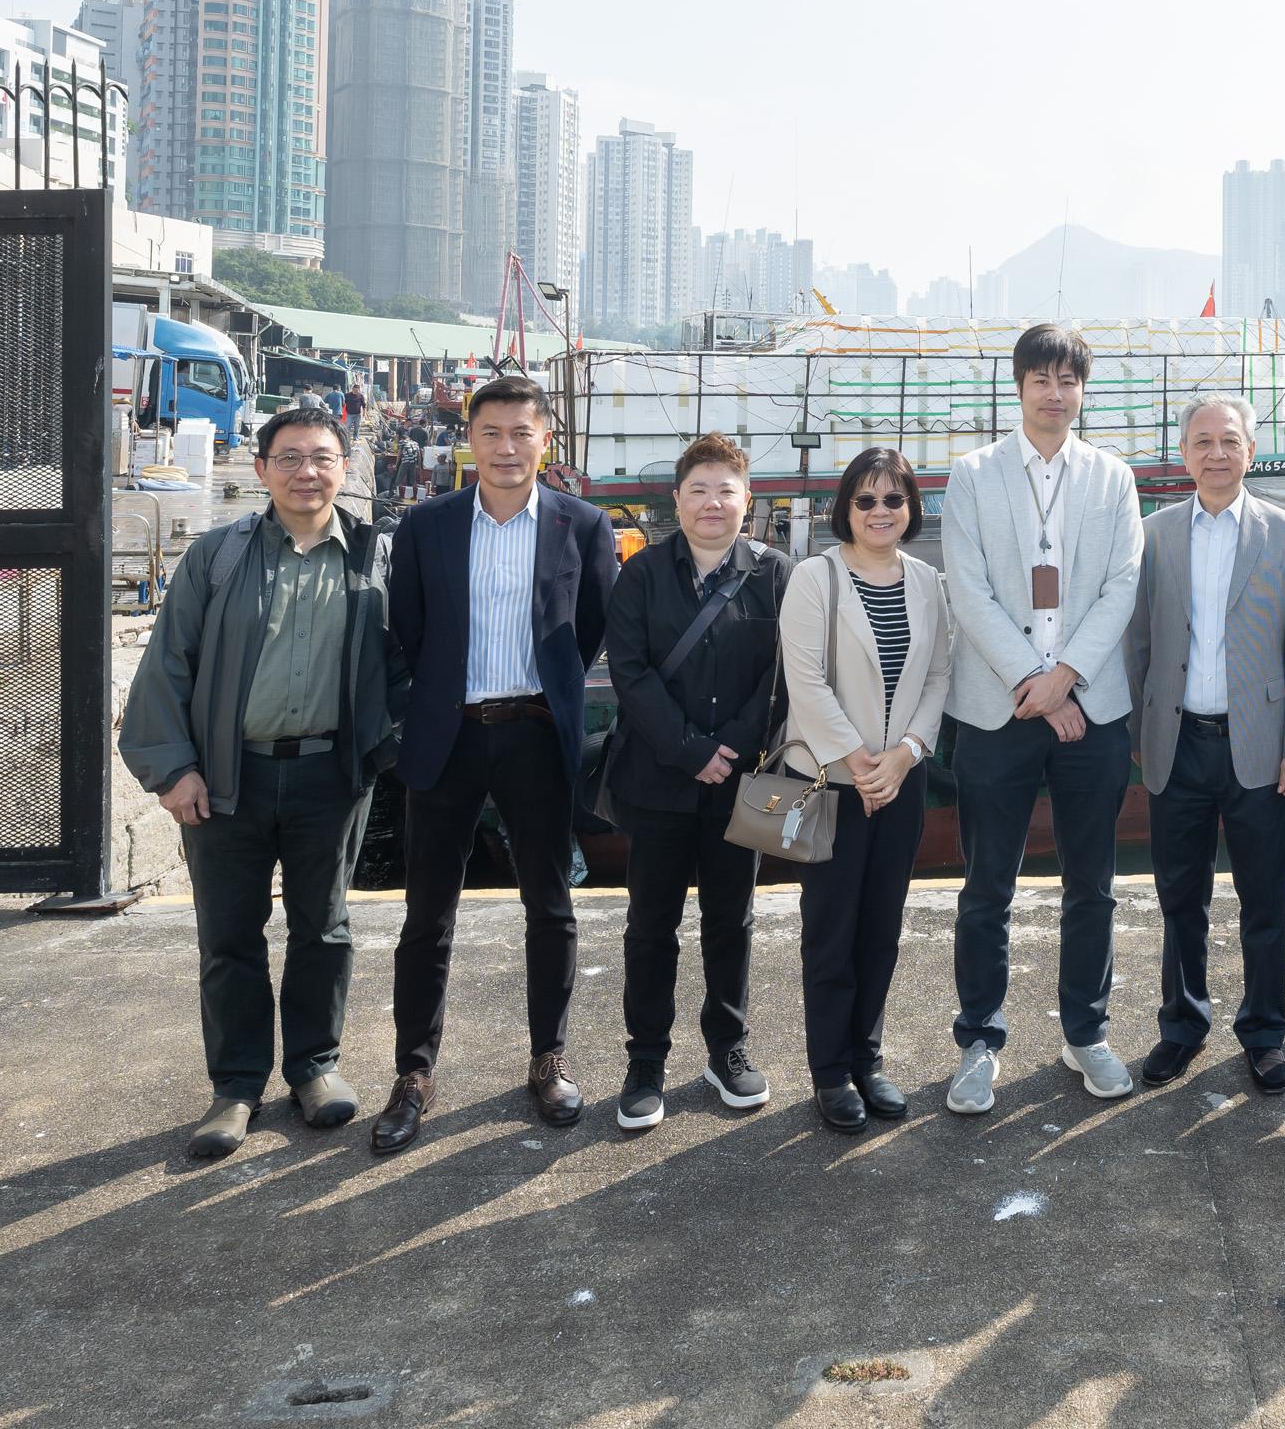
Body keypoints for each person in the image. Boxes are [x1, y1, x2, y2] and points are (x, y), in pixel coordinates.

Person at [120, 406, 397, 1160]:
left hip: (329, 775)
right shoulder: (220, 556)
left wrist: (383, 750)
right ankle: (236, 1086)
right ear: (262, 467)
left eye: (323, 458)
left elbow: (405, 659)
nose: (308, 472)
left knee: (324, 928)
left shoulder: (372, 558)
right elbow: (169, 662)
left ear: (344, 468)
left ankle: (315, 1068)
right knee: (230, 938)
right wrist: (172, 768)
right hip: (227, 776)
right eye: (291, 457)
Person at [372, 374, 621, 1155]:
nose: (507, 449)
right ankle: (414, 1073)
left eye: (522, 433)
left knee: (550, 906)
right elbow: (408, 629)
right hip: (447, 735)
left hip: (536, 733)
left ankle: (548, 1058)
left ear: (546, 440)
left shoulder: (583, 527)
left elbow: (589, 631)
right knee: (427, 915)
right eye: (491, 434)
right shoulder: (428, 526)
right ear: (468, 440)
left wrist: (540, 693)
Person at [938, 324, 1147, 1114]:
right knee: (986, 885)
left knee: (1092, 883)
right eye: (1041, 380)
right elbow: (968, 588)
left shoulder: (1112, 477)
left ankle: (1085, 1032)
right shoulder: (974, 475)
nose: (1055, 394)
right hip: (998, 709)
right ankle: (978, 1042)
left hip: (1089, 704)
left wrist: (1063, 680)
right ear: (1018, 386)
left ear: (1082, 390)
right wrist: (1032, 679)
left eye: (1068, 380)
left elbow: (1120, 586)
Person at [1122, 396, 1285, 1093]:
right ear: (1184, 452)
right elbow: (1137, 640)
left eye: (1230, 441)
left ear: (1250, 449)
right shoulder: (1153, 534)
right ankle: (1181, 1027)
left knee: (1265, 897)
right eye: (1203, 442)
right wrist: (1139, 734)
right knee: (1180, 896)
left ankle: (1264, 1032)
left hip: (1261, 748)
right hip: (1176, 742)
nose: (1216, 453)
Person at [602, 433, 794, 1129]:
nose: (713, 503)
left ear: (748, 499)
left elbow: (783, 675)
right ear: (677, 500)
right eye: (699, 489)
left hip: (745, 781)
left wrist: (734, 747)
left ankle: (728, 1048)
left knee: (732, 920)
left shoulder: (777, 574)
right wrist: (690, 750)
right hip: (658, 779)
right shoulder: (642, 575)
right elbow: (630, 672)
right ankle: (646, 1061)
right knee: (650, 923)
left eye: (726, 490)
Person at [778, 449, 951, 1132]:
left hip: (900, 782)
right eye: (867, 500)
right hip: (831, 782)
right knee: (829, 930)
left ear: (911, 509)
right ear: (844, 509)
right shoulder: (815, 578)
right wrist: (859, 760)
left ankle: (867, 1059)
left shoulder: (928, 583)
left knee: (881, 928)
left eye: (894, 500)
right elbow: (807, 681)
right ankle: (829, 1071)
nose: (881, 512)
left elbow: (938, 676)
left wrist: (905, 756)